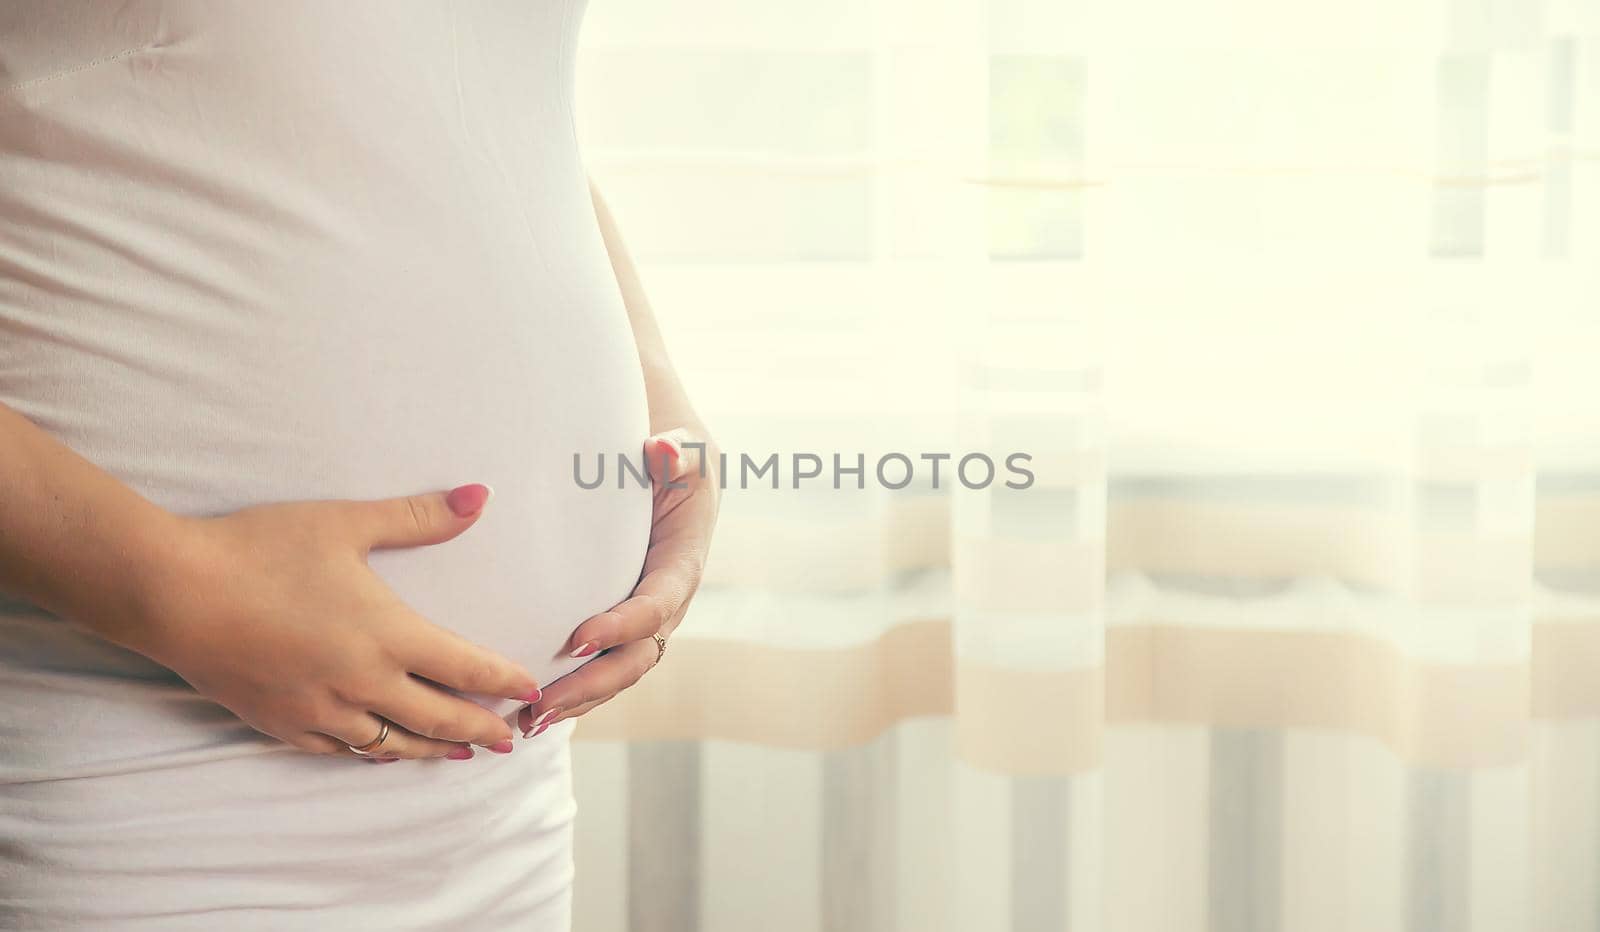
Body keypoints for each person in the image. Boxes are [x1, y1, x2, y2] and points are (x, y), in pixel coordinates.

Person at [0, 1, 719, 927]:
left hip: (504, 800)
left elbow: (471, 110)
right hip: (134, 782)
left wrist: (659, 400)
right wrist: (169, 585)